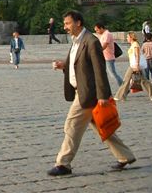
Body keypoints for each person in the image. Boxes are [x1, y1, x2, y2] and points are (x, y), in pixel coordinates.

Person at [48, 10, 136, 176]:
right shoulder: (76, 42)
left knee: (72, 125)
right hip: (79, 91)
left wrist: (103, 95)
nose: (65, 27)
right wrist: (64, 65)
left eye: (68, 23)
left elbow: (99, 69)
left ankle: (63, 163)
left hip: (87, 93)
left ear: (78, 22)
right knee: (101, 126)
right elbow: (78, 64)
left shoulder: (91, 41)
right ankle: (125, 156)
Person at [114, 32, 152, 102]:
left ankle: (119, 96)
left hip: (135, 65)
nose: (127, 38)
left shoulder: (135, 44)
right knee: (143, 80)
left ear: (131, 37)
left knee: (126, 80)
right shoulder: (133, 44)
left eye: (128, 37)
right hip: (133, 64)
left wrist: (137, 65)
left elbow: (137, 55)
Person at [94, 22, 122, 87]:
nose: (96, 32)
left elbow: (105, 45)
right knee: (111, 74)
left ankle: (123, 87)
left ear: (101, 28)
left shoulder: (107, 34)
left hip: (109, 57)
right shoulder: (103, 35)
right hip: (105, 57)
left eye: (97, 30)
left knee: (113, 74)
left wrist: (97, 51)